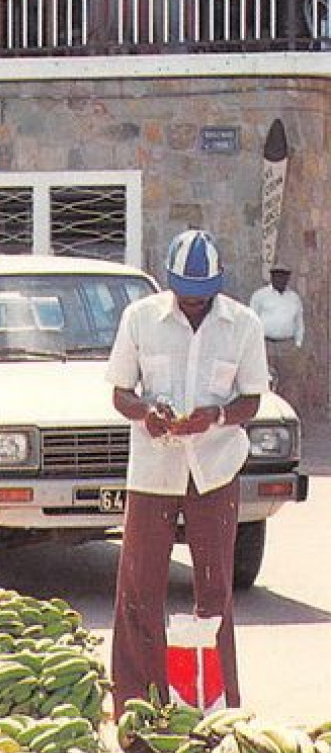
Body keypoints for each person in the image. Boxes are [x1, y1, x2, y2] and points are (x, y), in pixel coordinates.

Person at [106, 230, 268, 711]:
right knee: (139, 585)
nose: (193, 306)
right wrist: (145, 414)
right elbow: (119, 392)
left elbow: (252, 398)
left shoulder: (243, 324)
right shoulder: (140, 318)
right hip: (154, 469)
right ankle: (139, 699)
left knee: (215, 589)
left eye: (202, 298)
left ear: (218, 287)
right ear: (171, 285)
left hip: (215, 468)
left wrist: (214, 417)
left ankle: (215, 702)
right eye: (186, 297)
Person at [248, 266, 304, 389]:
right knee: (265, 378)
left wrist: (298, 344)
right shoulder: (260, 295)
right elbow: (251, 321)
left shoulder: (294, 298)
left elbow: (299, 322)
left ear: (288, 278)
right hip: (266, 343)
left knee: (287, 379)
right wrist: (253, 344)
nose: (280, 279)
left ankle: (285, 406)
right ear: (272, 277)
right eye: (277, 276)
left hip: (287, 346)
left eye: (283, 276)